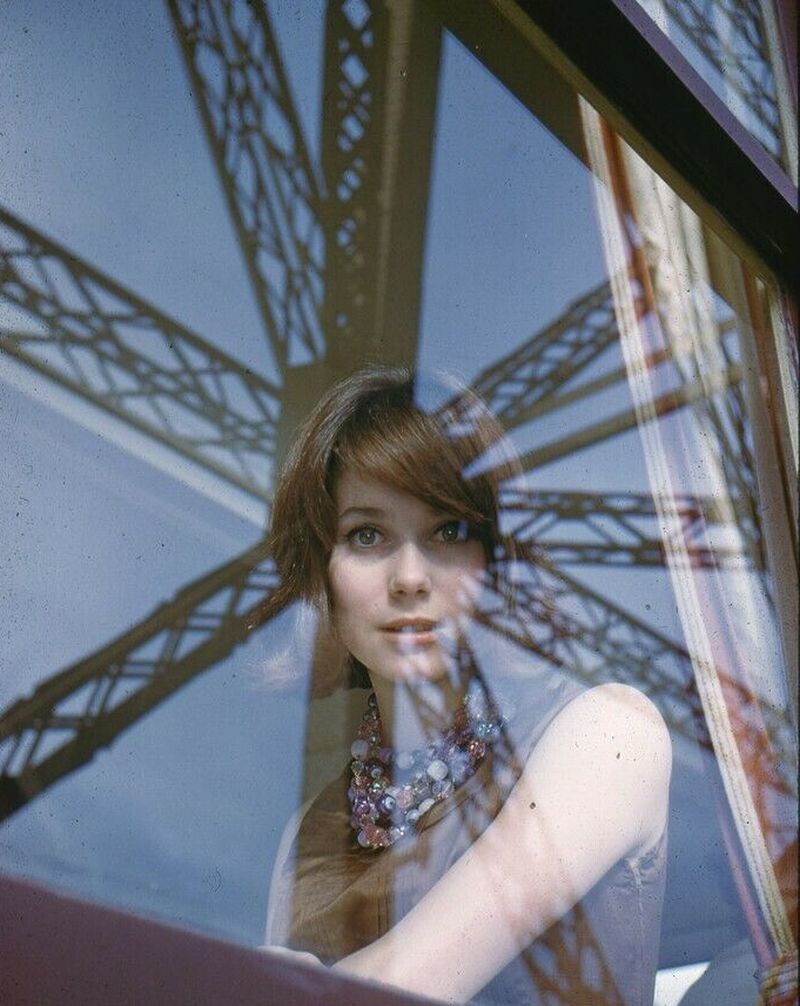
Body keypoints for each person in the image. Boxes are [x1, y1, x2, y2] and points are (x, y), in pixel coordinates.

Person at [262, 367, 672, 1005]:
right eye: (366, 535)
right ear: (322, 574)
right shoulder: (307, 834)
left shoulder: (605, 734)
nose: (409, 578)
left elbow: (404, 984)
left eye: (449, 531)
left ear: (497, 564)